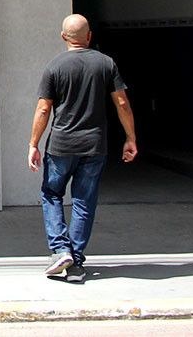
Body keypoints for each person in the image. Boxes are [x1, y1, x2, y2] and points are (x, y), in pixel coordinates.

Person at [28, 14, 138, 284]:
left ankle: (60, 250)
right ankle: (75, 262)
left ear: (63, 36)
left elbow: (43, 109)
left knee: (51, 194)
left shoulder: (55, 66)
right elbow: (122, 103)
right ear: (89, 37)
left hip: (61, 146)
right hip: (94, 146)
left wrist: (33, 144)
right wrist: (131, 137)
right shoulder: (106, 64)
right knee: (83, 201)